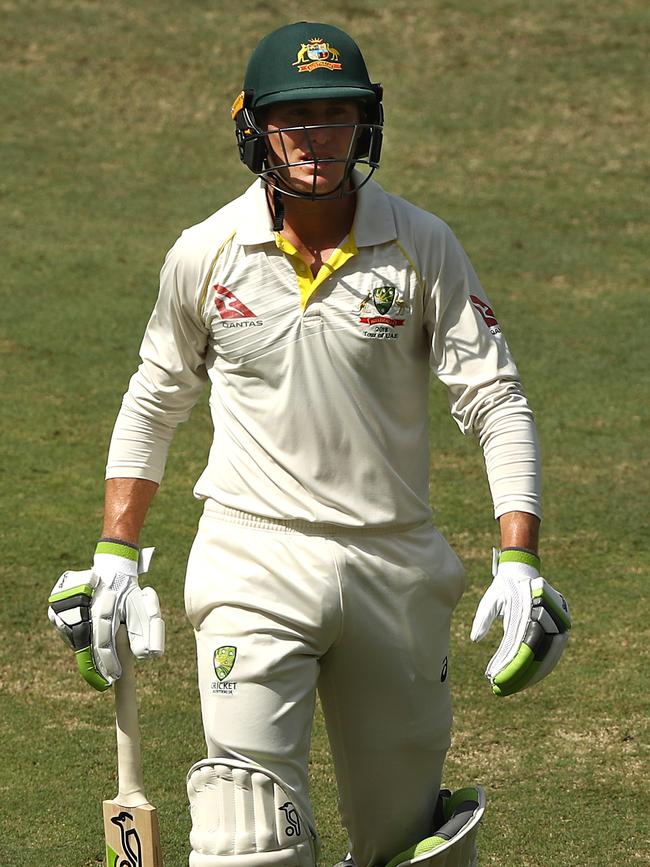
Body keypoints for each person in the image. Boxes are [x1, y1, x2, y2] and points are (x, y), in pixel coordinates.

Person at [48, 21, 571, 867]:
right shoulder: (205, 253)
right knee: (244, 834)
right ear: (254, 127)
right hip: (252, 558)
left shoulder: (422, 244)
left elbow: (495, 398)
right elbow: (154, 398)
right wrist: (116, 549)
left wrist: (521, 559)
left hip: (393, 567)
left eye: (337, 113)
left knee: (408, 844)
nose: (318, 135)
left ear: (365, 124)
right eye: (296, 117)